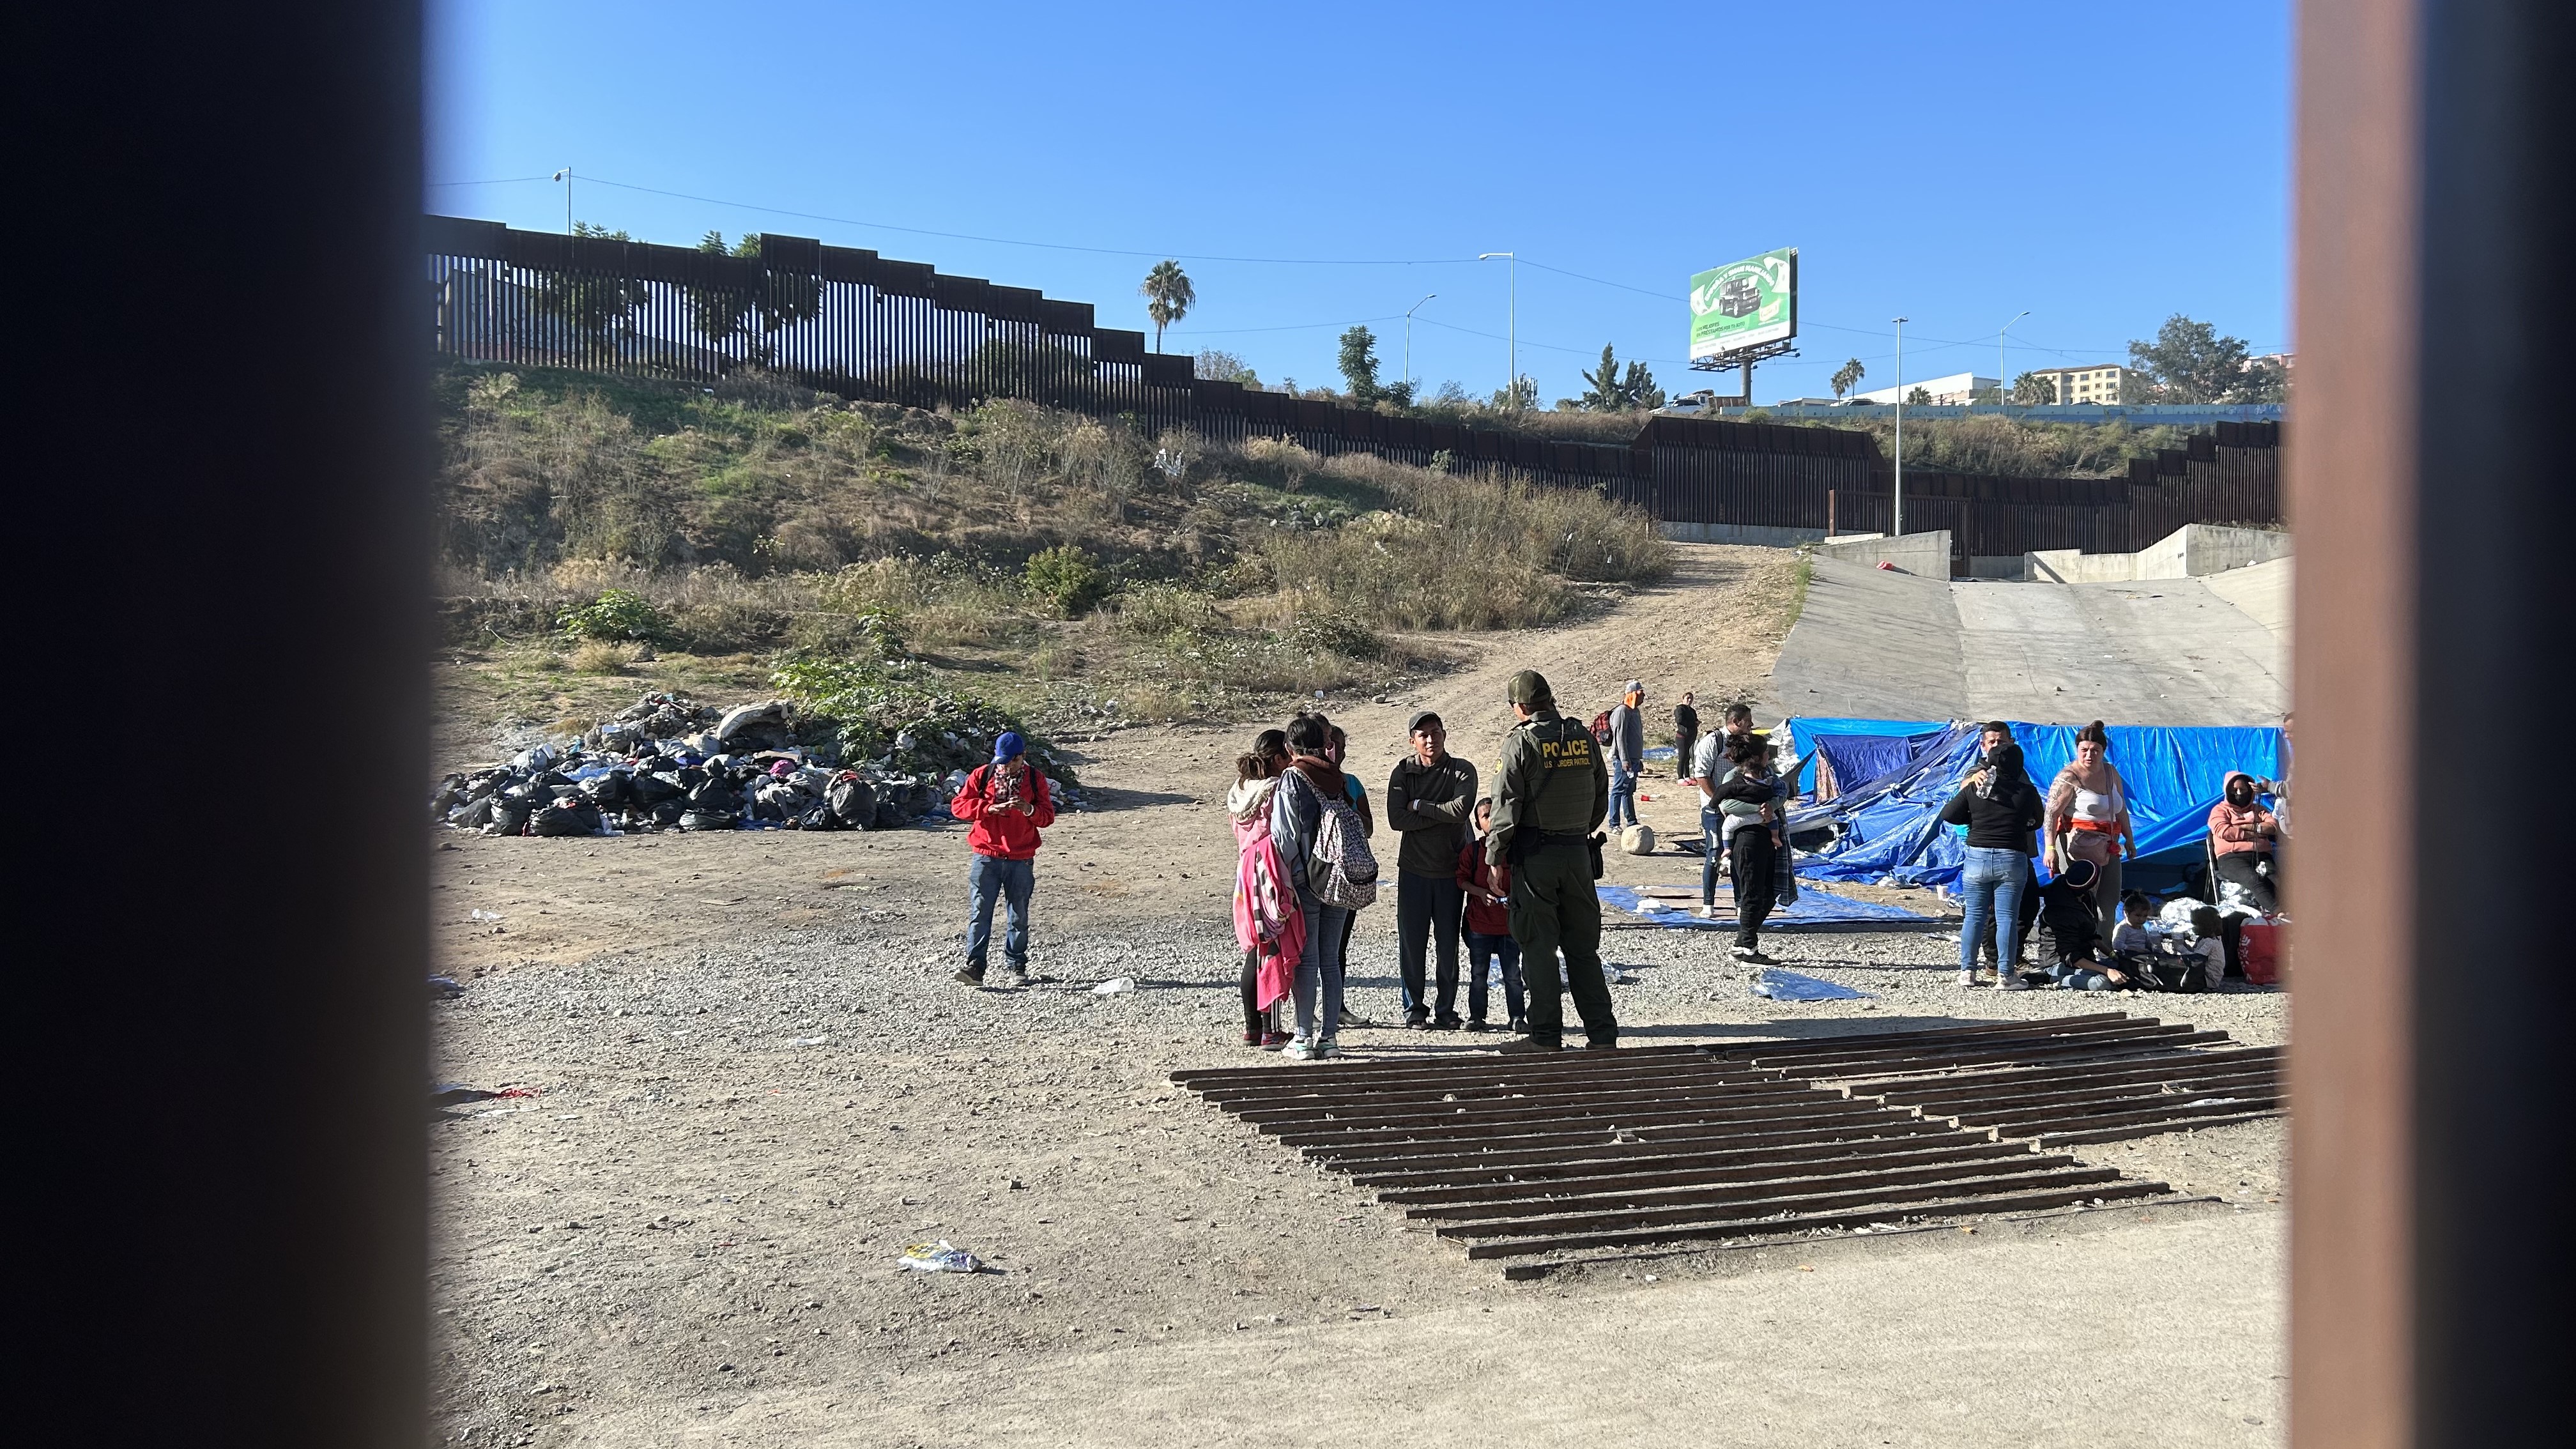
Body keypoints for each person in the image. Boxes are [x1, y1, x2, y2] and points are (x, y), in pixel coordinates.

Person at [1489, 669, 1616, 1053]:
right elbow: (1600, 797)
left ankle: (1545, 1036)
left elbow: (1506, 807)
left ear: (1521, 707)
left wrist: (1496, 857)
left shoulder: (1521, 744)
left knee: (1538, 948)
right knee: (1582, 948)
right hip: (1579, 854)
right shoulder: (1582, 736)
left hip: (1537, 858)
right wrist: (1575, 830)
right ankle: (1602, 1034)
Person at [1269, 714, 1356, 1061]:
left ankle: (1303, 1037)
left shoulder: (1293, 777)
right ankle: (1330, 1039)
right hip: (1341, 880)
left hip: (1307, 882)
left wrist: (1286, 881)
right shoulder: (1338, 777)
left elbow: (1286, 838)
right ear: (1326, 744)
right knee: (1331, 960)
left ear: (1290, 748)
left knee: (1306, 960)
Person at [1386, 710, 1477, 1029]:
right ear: (1412, 741)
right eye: (1423, 734)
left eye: (1435, 732)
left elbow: (1460, 811)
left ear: (1444, 735)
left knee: (1448, 943)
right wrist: (1438, 813)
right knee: (1412, 944)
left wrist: (1418, 806)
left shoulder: (1462, 770)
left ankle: (1446, 1009)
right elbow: (1397, 820)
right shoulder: (1403, 773)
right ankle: (1414, 1010)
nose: (1430, 739)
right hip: (1413, 870)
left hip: (1451, 871)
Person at [949, 731, 1057, 988]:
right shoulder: (982, 774)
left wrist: (1028, 809)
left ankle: (1017, 967)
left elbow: (1047, 817)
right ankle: (975, 967)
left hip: (1020, 857)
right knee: (980, 913)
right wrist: (987, 809)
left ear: (1023, 757)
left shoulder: (1034, 778)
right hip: (986, 855)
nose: (1007, 766)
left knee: (1018, 914)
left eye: (1012, 761)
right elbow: (958, 807)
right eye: (1003, 761)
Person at [1940, 739, 2044, 988]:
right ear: (2020, 767)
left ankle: (1967, 971)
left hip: (1977, 856)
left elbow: (1948, 814)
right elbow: (2037, 821)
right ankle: (2006, 975)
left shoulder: (1976, 788)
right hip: (2011, 858)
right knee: (2007, 916)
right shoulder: (2028, 792)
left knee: (1974, 916)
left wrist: (1973, 817)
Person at [1226, 730, 1295, 1049]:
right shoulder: (1275, 791)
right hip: (1270, 870)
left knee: (1254, 949)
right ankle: (1271, 1029)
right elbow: (1282, 834)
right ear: (1279, 759)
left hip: (1245, 872)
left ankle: (1252, 1027)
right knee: (1273, 949)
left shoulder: (1238, 791)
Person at [2046, 721, 2138, 942]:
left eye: (2095, 750)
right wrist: (2050, 848)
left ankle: (2104, 948)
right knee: (2081, 898)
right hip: (2078, 845)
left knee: (2110, 899)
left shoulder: (2110, 772)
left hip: (2109, 844)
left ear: (2103, 751)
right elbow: (2051, 814)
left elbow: (2121, 808)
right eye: (2084, 750)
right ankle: (2076, 948)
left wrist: (2130, 839)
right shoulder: (2068, 777)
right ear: (2077, 750)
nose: (2089, 755)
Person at [1708, 734, 1786, 963]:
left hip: (1764, 840)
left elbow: (1782, 793)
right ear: (1755, 757)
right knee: (1752, 894)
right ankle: (1748, 949)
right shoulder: (1736, 777)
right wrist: (1759, 809)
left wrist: (1770, 807)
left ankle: (1742, 942)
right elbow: (1724, 804)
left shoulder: (1768, 775)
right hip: (1748, 841)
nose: (1769, 756)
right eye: (1765, 753)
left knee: (1769, 892)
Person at [1457, 797, 1525, 1033]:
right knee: (1478, 975)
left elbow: (1524, 879)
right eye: (1485, 816)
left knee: (1513, 976)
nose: (1492, 820)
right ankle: (1477, 1017)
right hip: (1480, 925)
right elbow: (1461, 879)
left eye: (1495, 814)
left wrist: (1515, 898)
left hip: (1508, 926)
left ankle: (1517, 1017)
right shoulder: (1473, 851)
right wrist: (1480, 893)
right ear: (1478, 824)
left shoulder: (1515, 849)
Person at [1322, 722, 1374, 1030]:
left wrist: (1348, 811)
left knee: (1338, 946)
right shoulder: (1304, 779)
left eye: (1341, 745)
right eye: (1331, 744)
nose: (1337, 751)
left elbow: (1368, 828)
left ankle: (1336, 1007)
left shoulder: (1352, 783)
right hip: (1319, 873)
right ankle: (1306, 1009)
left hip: (1347, 876)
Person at [2208, 770, 2281, 914]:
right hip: (2231, 857)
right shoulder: (2220, 810)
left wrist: (2243, 827)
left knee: (2279, 881)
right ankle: (2279, 913)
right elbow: (2224, 831)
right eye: (2235, 790)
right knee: (2253, 879)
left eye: (2243, 789)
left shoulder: (2259, 809)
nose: (2239, 793)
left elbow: (2273, 827)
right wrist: (2256, 833)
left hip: (2261, 855)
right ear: (2228, 791)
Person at [1605, 681, 1646, 828]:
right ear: (1633, 694)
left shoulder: (1635, 711)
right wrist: (1624, 759)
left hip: (1633, 759)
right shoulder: (1622, 711)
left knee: (1629, 790)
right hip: (1624, 759)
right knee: (1618, 790)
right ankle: (1614, 823)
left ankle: (1631, 821)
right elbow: (1620, 737)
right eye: (1641, 694)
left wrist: (1638, 759)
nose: (1643, 697)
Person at [1671, 691, 1699, 784]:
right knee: (1682, 757)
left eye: (1691, 698)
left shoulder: (1692, 711)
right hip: (1682, 736)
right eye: (1688, 698)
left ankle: (1687, 776)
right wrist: (1693, 723)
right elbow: (1680, 721)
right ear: (1683, 699)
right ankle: (1680, 778)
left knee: (1688, 757)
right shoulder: (1680, 709)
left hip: (1690, 737)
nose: (1689, 700)